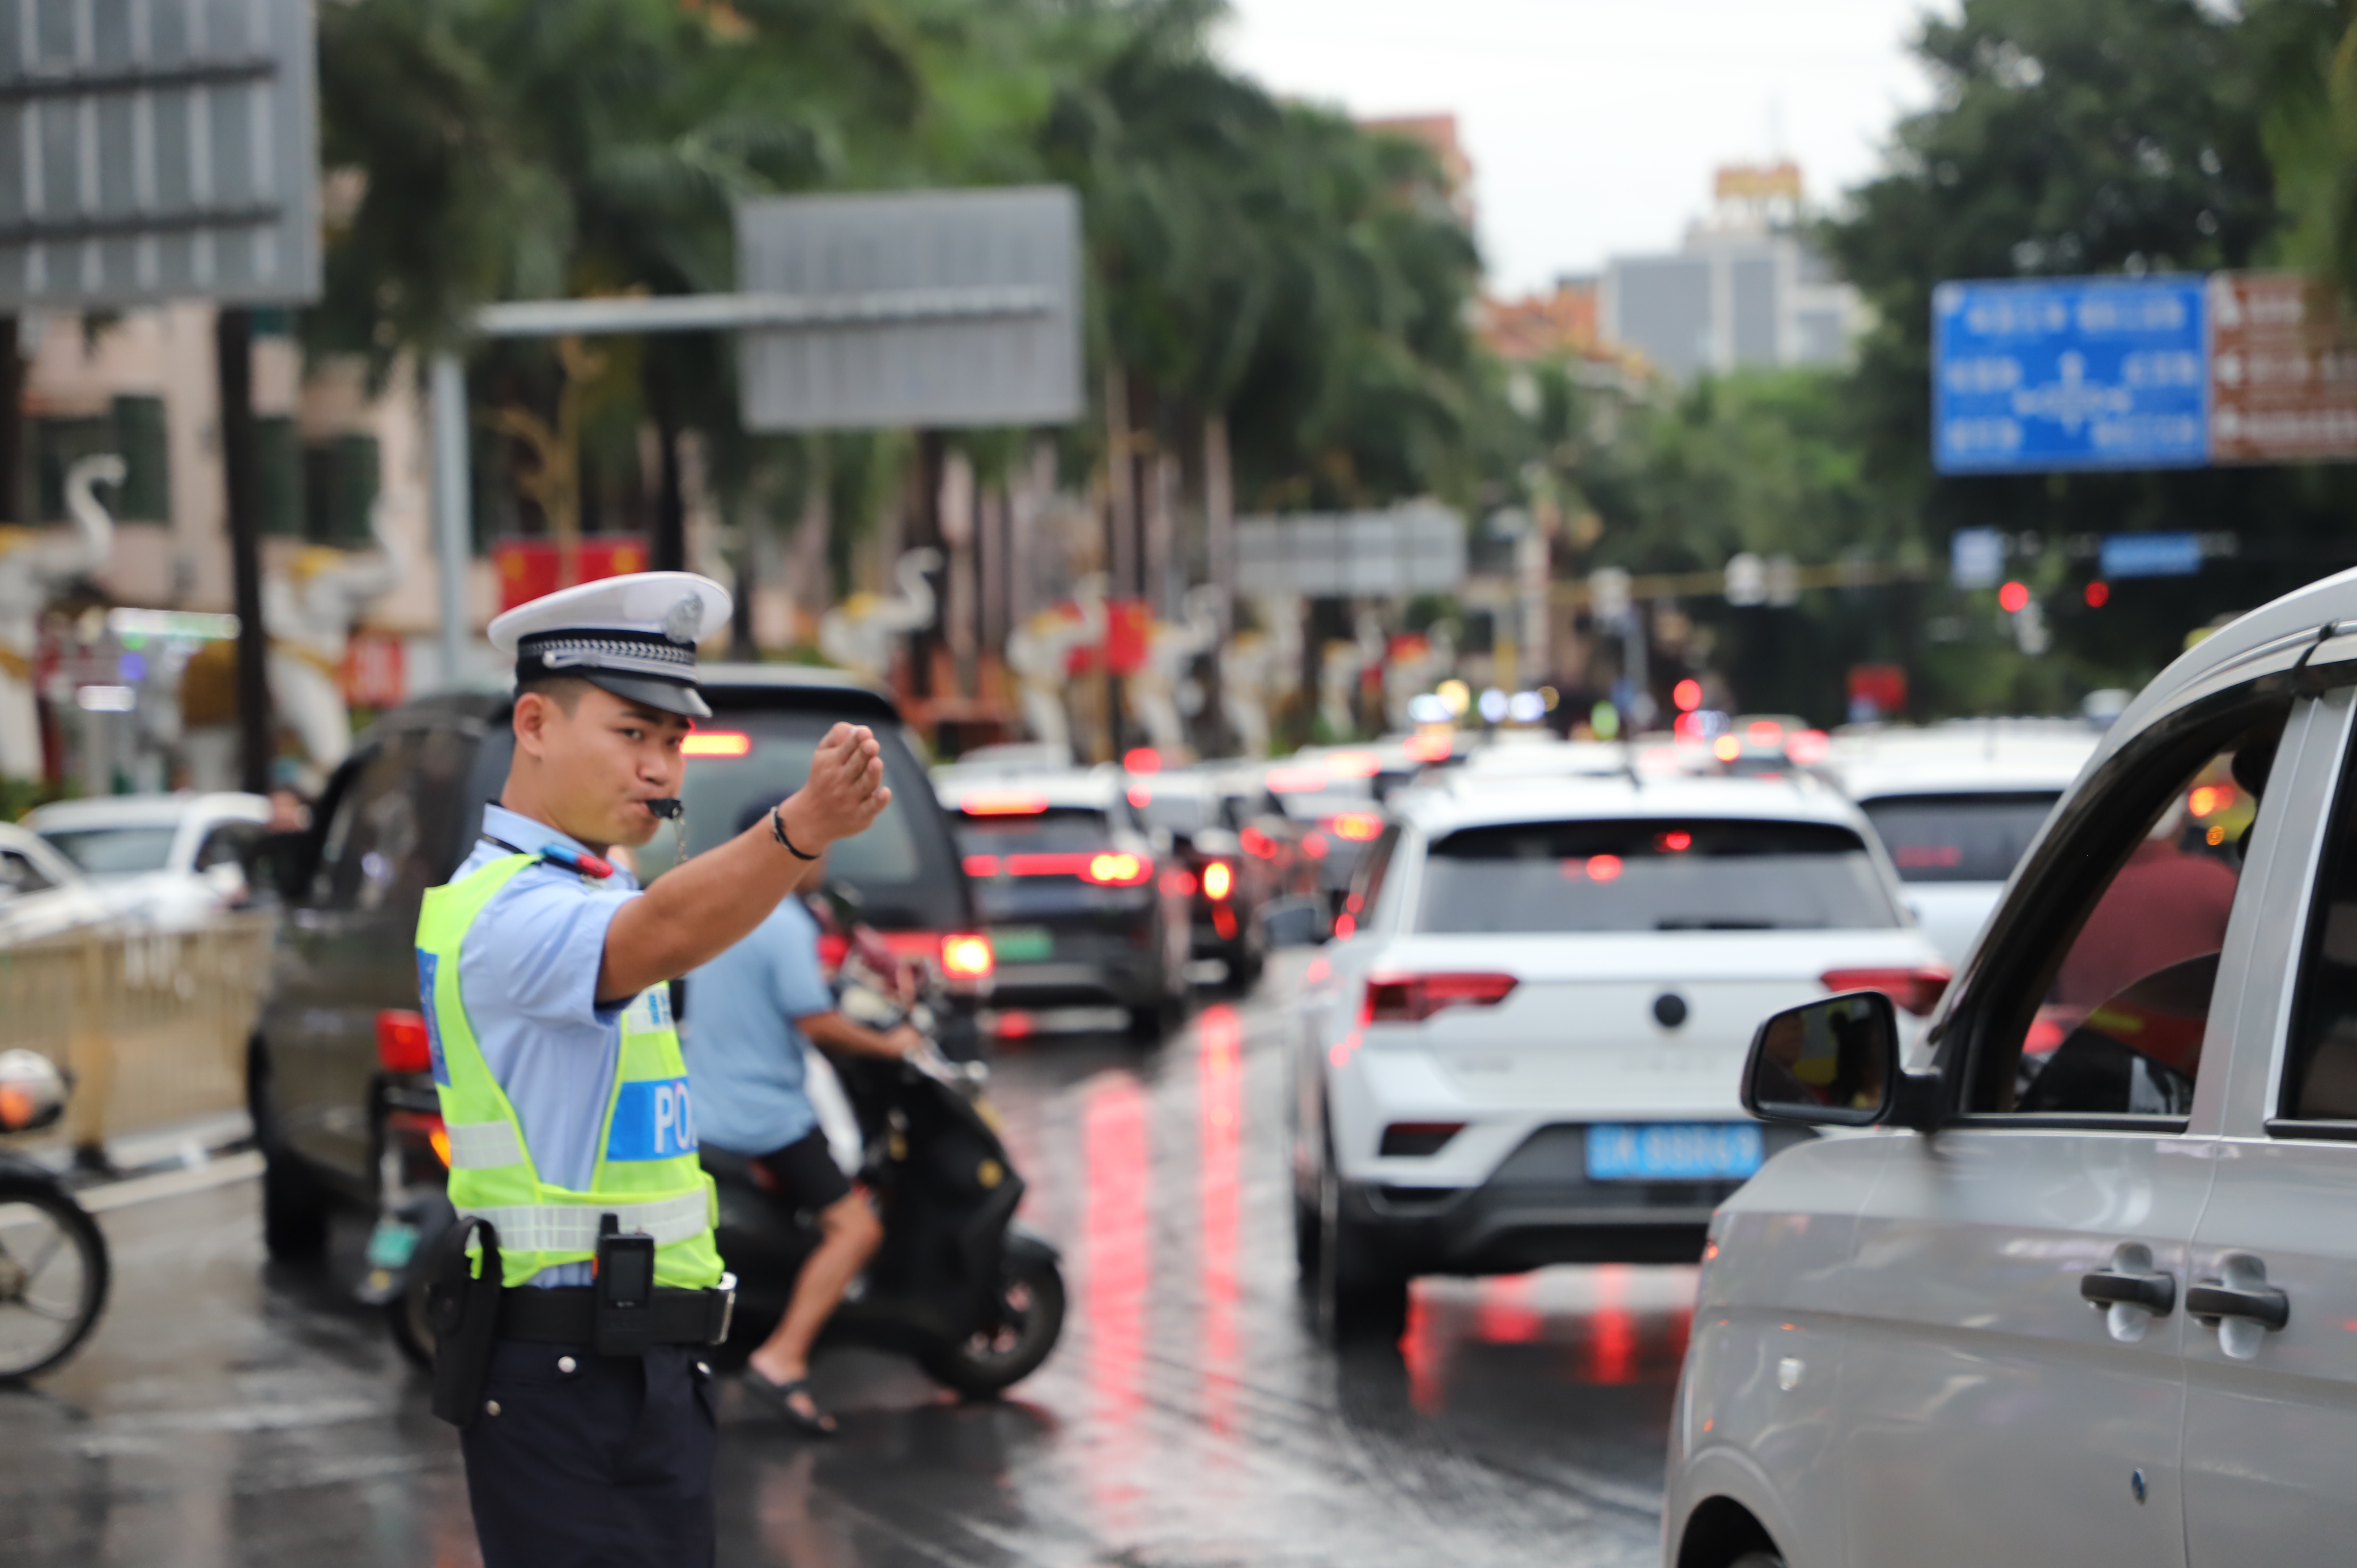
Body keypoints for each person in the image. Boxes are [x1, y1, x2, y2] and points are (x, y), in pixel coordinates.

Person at [414, 570, 890, 1568]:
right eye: (632, 733)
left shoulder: (588, 881)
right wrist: (798, 830)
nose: (661, 769)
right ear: (534, 722)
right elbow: (660, 930)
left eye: (673, 742)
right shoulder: (507, 909)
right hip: (565, 1368)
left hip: (639, 1365)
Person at [683, 803, 922, 1435]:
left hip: (702, 1103)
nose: (825, 859)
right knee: (855, 1229)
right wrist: (891, 1045)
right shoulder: (783, 921)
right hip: (760, 1113)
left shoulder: (722, 908)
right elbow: (814, 1021)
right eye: (819, 843)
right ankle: (782, 1356)